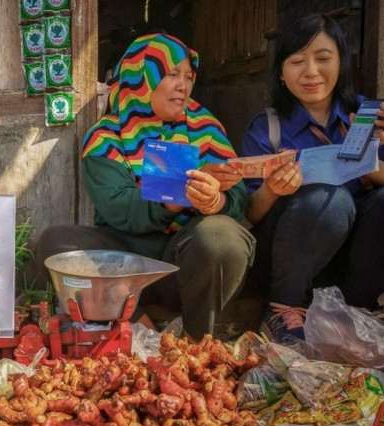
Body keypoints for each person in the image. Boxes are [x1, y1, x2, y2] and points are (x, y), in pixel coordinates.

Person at [34, 33, 255, 341]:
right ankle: (140, 325)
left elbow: (239, 200)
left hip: (188, 265)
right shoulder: (106, 138)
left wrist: (215, 201)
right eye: (171, 74)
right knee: (56, 242)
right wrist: (178, 195)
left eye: (188, 77)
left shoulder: (205, 127)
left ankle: (197, 342)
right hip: (125, 269)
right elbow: (120, 208)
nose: (183, 85)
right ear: (141, 78)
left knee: (221, 236)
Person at [241, 14, 384, 342]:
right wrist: (273, 189)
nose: (311, 72)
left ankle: (354, 310)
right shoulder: (268, 129)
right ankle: (282, 308)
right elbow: (249, 215)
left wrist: (368, 162)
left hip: (350, 263)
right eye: (297, 61)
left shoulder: (368, 117)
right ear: (280, 72)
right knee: (329, 199)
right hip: (288, 262)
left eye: (323, 58)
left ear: (341, 63)